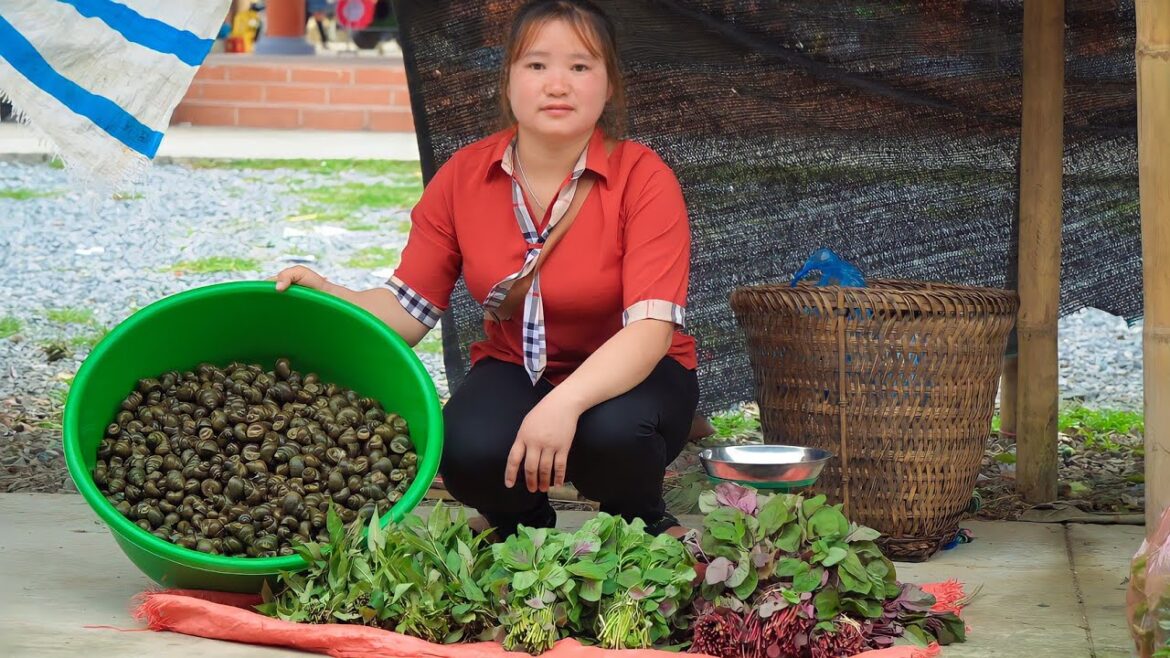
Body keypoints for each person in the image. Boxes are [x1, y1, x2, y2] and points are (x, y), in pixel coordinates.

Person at [273, 0, 698, 539]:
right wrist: (331, 295)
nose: (557, 84)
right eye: (537, 65)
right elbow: (408, 309)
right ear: (509, 80)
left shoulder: (644, 177)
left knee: (610, 434)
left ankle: (639, 522)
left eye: (581, 66)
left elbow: (650, 331)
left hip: (635, 372)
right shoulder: (464, 175)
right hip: (518, 362)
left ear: (609, 84)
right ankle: (521, 525)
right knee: (464, 448)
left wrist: (563, 402)